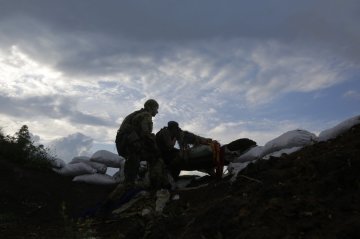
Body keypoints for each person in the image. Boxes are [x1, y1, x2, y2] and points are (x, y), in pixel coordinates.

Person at [115, 99, 167, 190]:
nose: (157, 111)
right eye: (156, 108)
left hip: (123, 143)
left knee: (136, 156)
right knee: (156, 156)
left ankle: (129, 182)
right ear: (150, 107)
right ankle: (154, 184)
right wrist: (156, 146)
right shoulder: (146, 115)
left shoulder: (136, 114)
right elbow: (145, 133)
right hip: (130, 143)